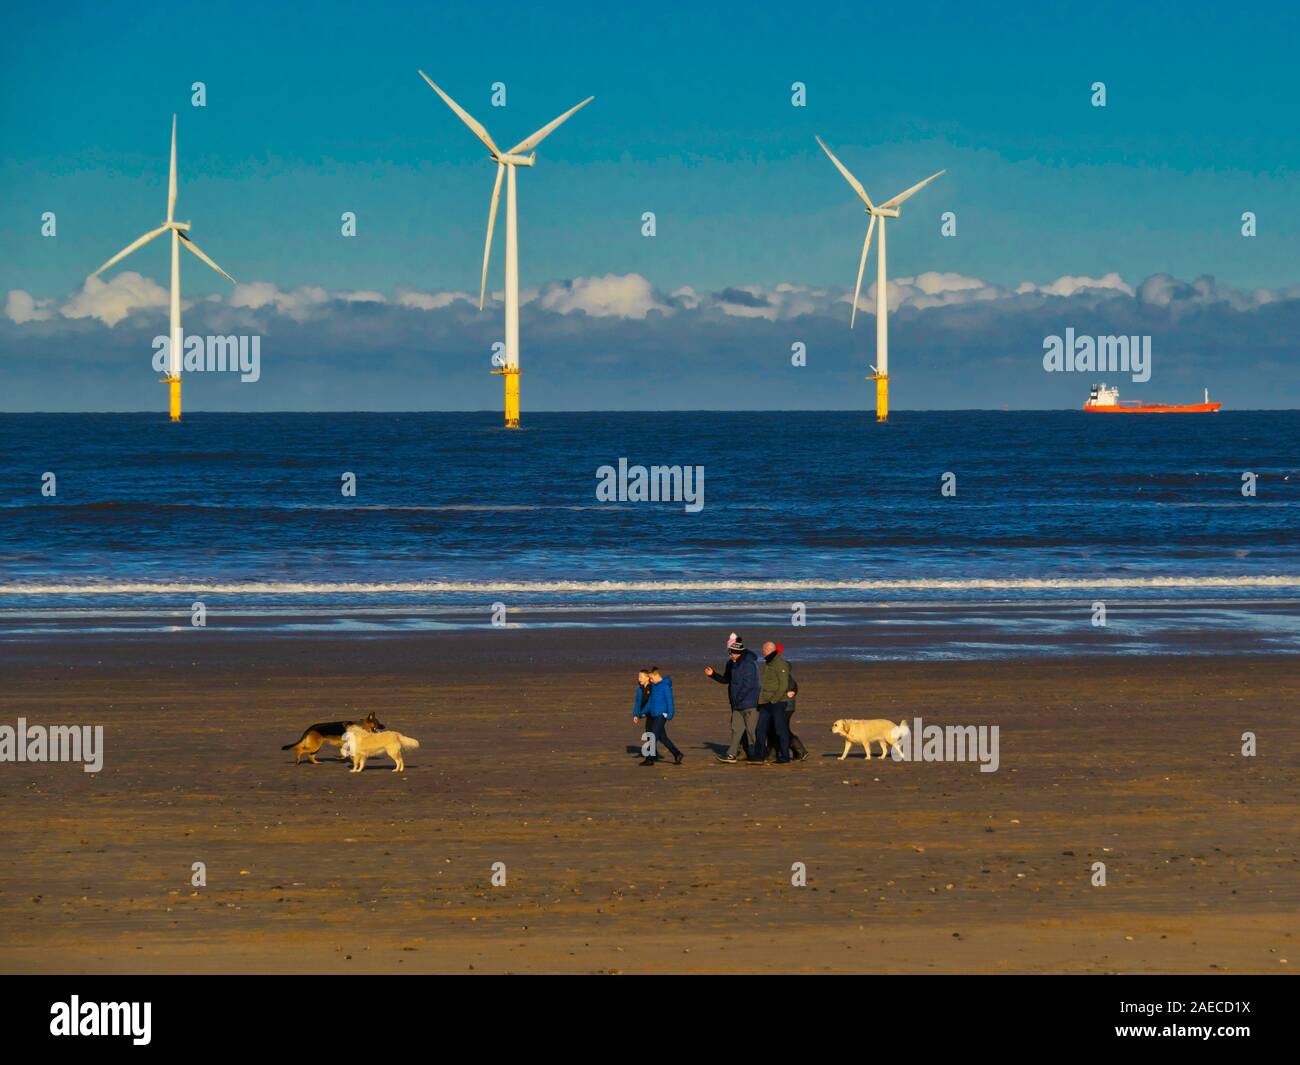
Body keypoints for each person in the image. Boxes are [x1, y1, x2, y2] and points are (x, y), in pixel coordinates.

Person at [705, 633, 760, 763]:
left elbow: (749, 685)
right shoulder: (732, 664)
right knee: (736, 730)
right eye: (730, 653)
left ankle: (755, 755)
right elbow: (726, 680)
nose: (730, 655)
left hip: (749, 703)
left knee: (751, 732)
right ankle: (732, 754)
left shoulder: (749, 664)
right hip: (737, 704)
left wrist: (739, 698)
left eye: (732, 653)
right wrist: (713, 675)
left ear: (738, 652)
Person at [632, 666, 683, 765]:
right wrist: (639, 714)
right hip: (654, 715)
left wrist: (670, 715)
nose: (650, 680)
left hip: (661, 716)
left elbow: (670, 702)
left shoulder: (665, 686)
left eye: (651, 678)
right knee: (663, 738)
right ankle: (677, 754)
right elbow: (649, 703)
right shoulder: (654, 687)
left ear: (656, 676)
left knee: (652, 736)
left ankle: (649, 759)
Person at [753, 641, 793, 763]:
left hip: (778, 703)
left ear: (768, 649)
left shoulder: (780, 663)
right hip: (765, 702)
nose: (762, 652)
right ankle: (759, 756)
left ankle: (785, 756)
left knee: (780, 730)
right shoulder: (768, 662)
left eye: (763, 650)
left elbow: (783, 685)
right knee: (760, 729)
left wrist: (775, 699)